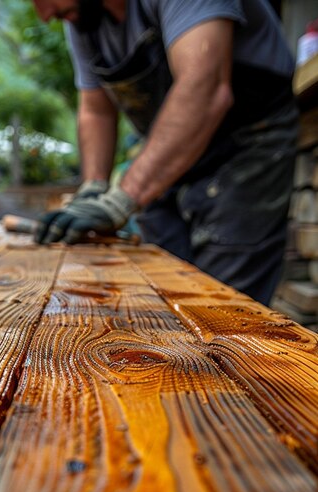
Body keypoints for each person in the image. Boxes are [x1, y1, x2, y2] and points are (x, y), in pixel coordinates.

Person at [31, 0, 298, 306]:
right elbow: (96, 111)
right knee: (159, 288)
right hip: (166, 158)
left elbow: (205, 89)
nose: (45, 15)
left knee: (225, 307)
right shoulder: (82, 18)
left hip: (247, 144)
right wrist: (92, 190)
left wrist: (121, 199)